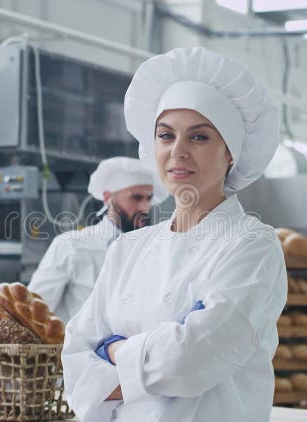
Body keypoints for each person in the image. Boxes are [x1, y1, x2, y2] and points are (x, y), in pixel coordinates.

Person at [62, 47, 287, 422]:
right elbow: (74, 355)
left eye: (199, 138)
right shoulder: (129, 248)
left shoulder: (252, 245)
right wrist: (157, 358)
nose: (177, 152)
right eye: (166, 136)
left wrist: (115, 350)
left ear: (230, 152)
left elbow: (194, 358)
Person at [27, 157, 166, 322]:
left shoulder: (153, 249)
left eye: (148, 198)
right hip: (76, 347)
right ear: (108, 198)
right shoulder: (70, 245)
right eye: (136, 198)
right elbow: (33, 313)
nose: (145, 207)